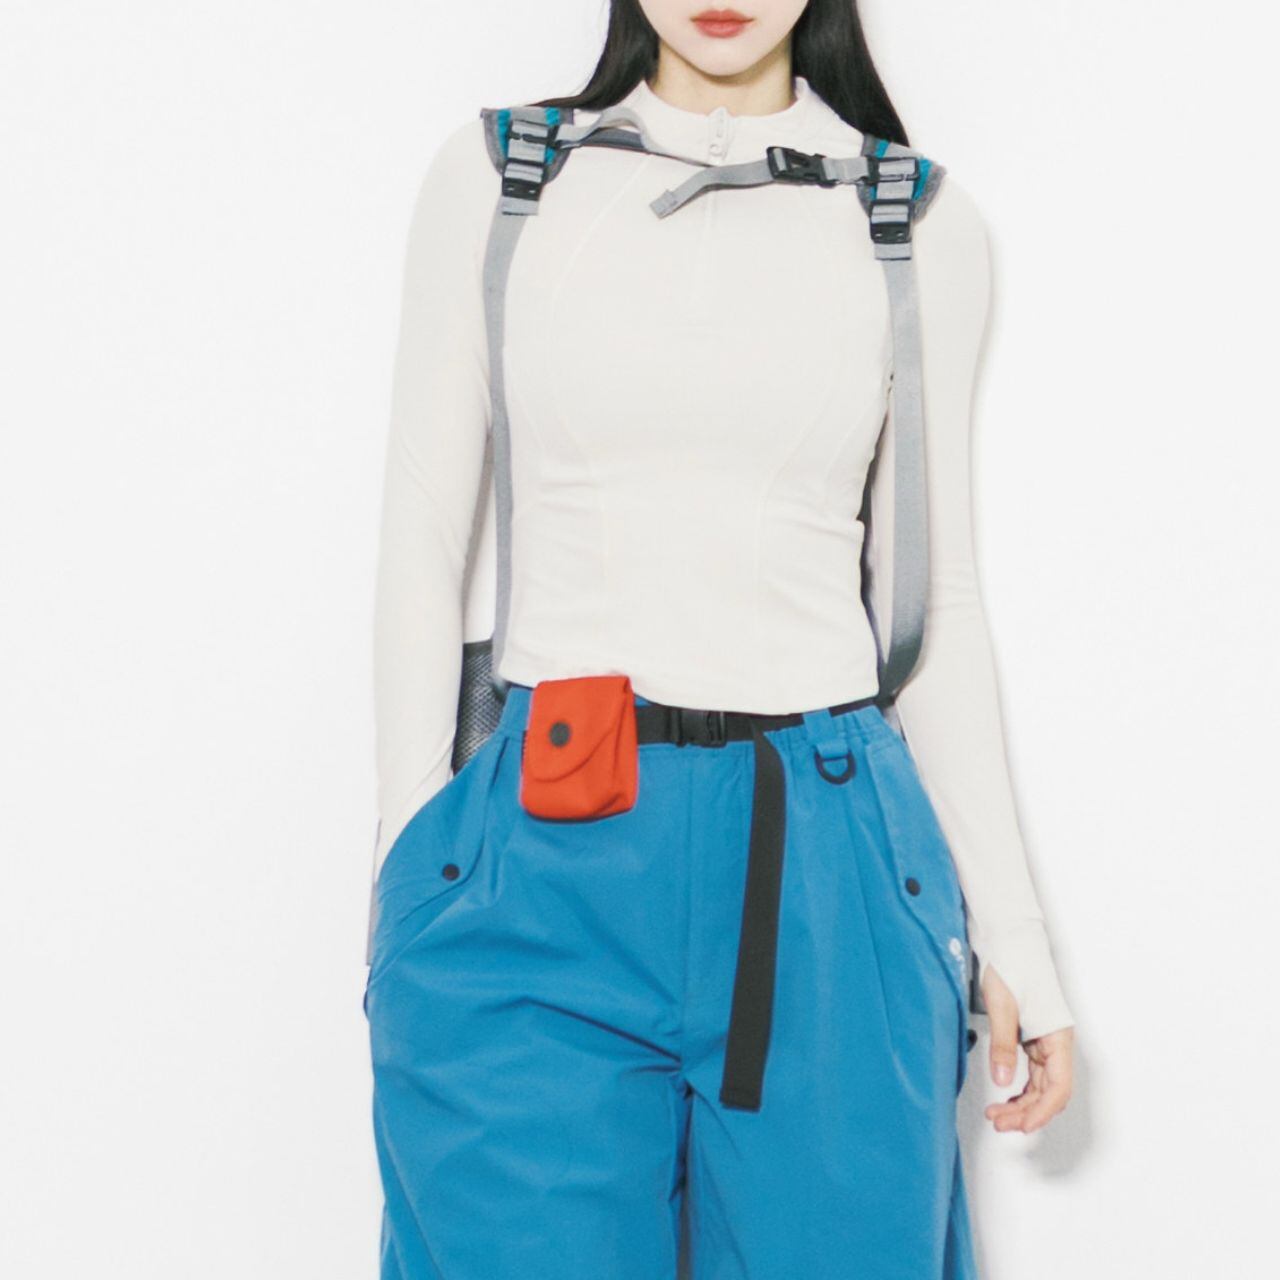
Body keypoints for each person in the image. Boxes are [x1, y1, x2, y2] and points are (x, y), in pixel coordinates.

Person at [365, 1, 1076, 1275]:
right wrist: (410, 868)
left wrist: (1015, 939)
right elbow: (420, 537)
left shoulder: (910, 220)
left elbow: (934, 600)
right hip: (537, 843)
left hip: (826, 857)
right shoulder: (507, 178)